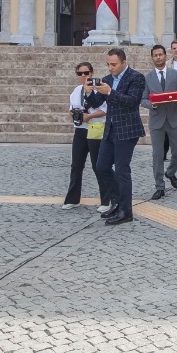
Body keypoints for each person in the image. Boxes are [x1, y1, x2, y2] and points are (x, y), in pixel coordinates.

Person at [96, 48, 146, 226]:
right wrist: (90, 91)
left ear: (123, 62)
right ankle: (117, 202)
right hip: (110, 129)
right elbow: (96, 102)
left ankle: (126, 211)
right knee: (101, 166)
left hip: (127, 130)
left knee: (122, 170)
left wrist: (110, 92)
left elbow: (132, 101)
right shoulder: (108, 79)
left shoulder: (136, 77)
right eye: (108, 64)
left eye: (113, 64)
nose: (110, 68)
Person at [142, 44, 177, 201]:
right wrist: (151, 104)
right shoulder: (147, 78)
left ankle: (171, 172)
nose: (158, 57)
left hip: (175, 118)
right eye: (155, 55)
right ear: (152, 57)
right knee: (157, 154)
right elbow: (143, 99)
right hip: (157, 120)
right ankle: (159, 186)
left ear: (165, 56)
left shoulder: (176, 74)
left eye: (161, 54)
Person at [63, 61, 106, 210]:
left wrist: (89, 117)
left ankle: (106, 200)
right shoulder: (76, 91)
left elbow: (105, 110)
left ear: (92, 73)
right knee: (76, 165)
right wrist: (76, 116)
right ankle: (72, 199)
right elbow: (71, 109)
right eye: (80, 74)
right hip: (80, 130)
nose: (83, 76)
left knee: (98, 165)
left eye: (86, 73)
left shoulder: (100, 89)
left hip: (95, 128)